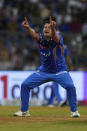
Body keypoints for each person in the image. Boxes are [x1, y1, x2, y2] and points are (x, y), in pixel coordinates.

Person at [14, 16, 80, 117]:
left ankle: (74, 111)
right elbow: (34, 35)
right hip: (44, 71)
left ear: (54, 29)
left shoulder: (58, 38)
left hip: (60, 71)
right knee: (25, 85)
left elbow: (56, 37)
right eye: (45, 27)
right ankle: (24, 111)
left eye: (49, 27)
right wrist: (28, 28)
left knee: (70, 86)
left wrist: (53, 28)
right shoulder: (41, 39)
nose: (46, 29)